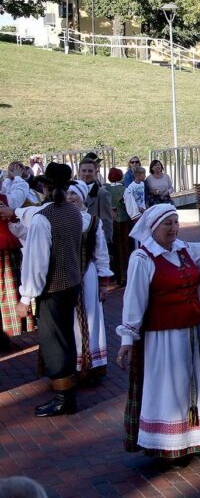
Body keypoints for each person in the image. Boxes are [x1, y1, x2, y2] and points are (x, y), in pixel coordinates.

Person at [116, 205, 200, 466]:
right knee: (171, 388)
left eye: (176, 222)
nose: (174, 228)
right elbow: (133, 301)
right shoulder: (143, 258)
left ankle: (193, 439)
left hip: (193, 331)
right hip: (163, 339)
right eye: (168, 223)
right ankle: (169, 446)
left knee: (193, 385)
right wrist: (127, 339)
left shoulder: (184, 249)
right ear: (153, 227)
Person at [10, 163, 82, 416]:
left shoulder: (44, 218)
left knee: (54, 342)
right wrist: (14, 216)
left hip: (52, 289)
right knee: (66, 338)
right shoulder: (73, 211)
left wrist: (25, 297)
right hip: (71, 283)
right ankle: (67, 393)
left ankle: (64, 398)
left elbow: (37, 262)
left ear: (44, 186)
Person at [66, 181, 111, 386]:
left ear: (82, 197)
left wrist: (103, 282)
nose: (70, 197)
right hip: (65, 275)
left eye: (74, 194)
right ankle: (71, 365)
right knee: (69, 318)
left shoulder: (93, 221)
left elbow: (101, 253)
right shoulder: (60, 219)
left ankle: (90, 365)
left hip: (88, 275)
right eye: (67, 194)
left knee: (90, 317)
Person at [0, 170, 32, 351]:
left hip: (6, 247)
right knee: (7, 292)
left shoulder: (5, 197)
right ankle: (9, 329)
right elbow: (21, 191)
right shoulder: (5, 199)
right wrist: (17, 177)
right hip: (5, 248)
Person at [78, 158, 113, 245]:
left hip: (94, 241)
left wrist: (106, 243)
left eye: (90, 171)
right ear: (79, 172)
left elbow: (106, 221)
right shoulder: (72, 192)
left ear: (96, 173)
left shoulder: (102, 194)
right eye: (84, 171)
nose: (86, 174)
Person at [106, 168, 131, 286]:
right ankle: (123, 276)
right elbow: (131, 208)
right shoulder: (124, 190)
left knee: (111, 248)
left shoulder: (104, 189)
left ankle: (113, 275)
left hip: (108, 222)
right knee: (123, 249)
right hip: (122, 221)